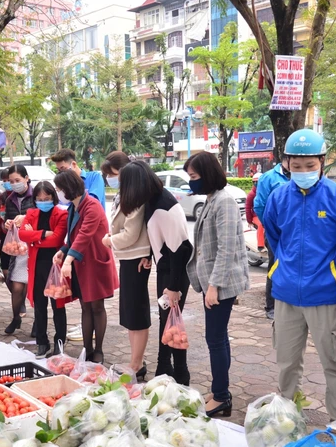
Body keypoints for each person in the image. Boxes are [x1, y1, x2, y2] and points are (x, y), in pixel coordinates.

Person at [262, 129, 336, 420]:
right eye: (297, 166)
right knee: (287, 363)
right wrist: (284, 268)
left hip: (325, 295)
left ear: (322, 162)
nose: (303, 171)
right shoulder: (279, 197)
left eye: (310, 165)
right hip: (286, 295)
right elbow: (274, 237)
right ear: (287, 163)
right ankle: (287, 419)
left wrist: (335, 275)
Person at [185, 152, 250, 417]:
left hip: (219, 283)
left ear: (208, 174)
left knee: (215, 339)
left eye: (194, 177)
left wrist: (214, 286)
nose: (191, 182)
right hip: (213, 282)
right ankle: (219, 389)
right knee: (218, 338)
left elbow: (226, 248)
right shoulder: (212, 199)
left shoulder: (224, 202)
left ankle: (222, 395)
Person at [119, 161, 193, 384]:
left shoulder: (163, 206)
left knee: (173, 326)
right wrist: (149, 256)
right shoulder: (153, 200)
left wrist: (173, 287)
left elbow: (182, 249)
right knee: (167, 324)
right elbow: (159, 238)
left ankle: (179, 375)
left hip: (175, 273)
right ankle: (164, 370)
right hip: (166, 268)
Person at [53, 171, 118, 364]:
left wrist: (68, 260)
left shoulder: (92, 205)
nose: (58, 193)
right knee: (85, 306)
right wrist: (64, 250)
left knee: (97, 306)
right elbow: (73, 237)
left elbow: (85, 235)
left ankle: (98, 350)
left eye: (59, 189)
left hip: (95, 263)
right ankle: (87, 348)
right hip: (81, 263)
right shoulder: (74, 207)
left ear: (68, 189)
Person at [101, 151, 152, 379]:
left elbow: (131, 234)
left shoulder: (136, 195)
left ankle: (137, 363)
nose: (110, 179)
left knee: (137, 313)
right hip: (128, 258)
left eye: (112, 174)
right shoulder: (124, 193)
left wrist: (110, 240)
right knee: (129, 313)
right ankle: (135, 361)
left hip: (136, 258)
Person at [18, 181, 69, 357]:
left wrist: (34, 238)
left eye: (46, 198)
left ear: (53, 198)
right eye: (39, 199)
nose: (43, 201)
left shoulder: (61, 214)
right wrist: (42, 234)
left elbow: (57, 240)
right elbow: (22, 234)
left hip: (54, 266)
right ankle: (42, 342)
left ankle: (59, 342)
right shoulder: (31, 213)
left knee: (58, 306)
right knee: (39, 306)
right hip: (37, 265)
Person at [253, 153, 290, 320]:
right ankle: (271, 306)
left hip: (295, 233)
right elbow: (259, 205)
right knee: (275, 267)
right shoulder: (268, 178)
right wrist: (269, 226)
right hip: (275, 232)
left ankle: (289, 305)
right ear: (285, 160)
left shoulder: (300, 176)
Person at [4, 165, 36, 335]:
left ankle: (39, 322)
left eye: (17, 180)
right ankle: (16, 318)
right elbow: (5, 222)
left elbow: (45, 219)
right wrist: (7, 224)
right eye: (11, 181)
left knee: (35, 288)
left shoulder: (37, 196)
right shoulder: (9, 200)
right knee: (16, 287)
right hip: (18, 250)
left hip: (35, 249)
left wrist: (27, 218)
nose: (14, 184)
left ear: (26, 178)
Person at [245, 172, 265, 251]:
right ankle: (260, 246)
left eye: (258, 182)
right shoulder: (251, 194)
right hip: (256, 216)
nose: (256, 184)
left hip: (265, 214)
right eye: (255, 182)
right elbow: (247, 208)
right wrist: (249, 221)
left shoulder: (265, 191)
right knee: (261, 224)